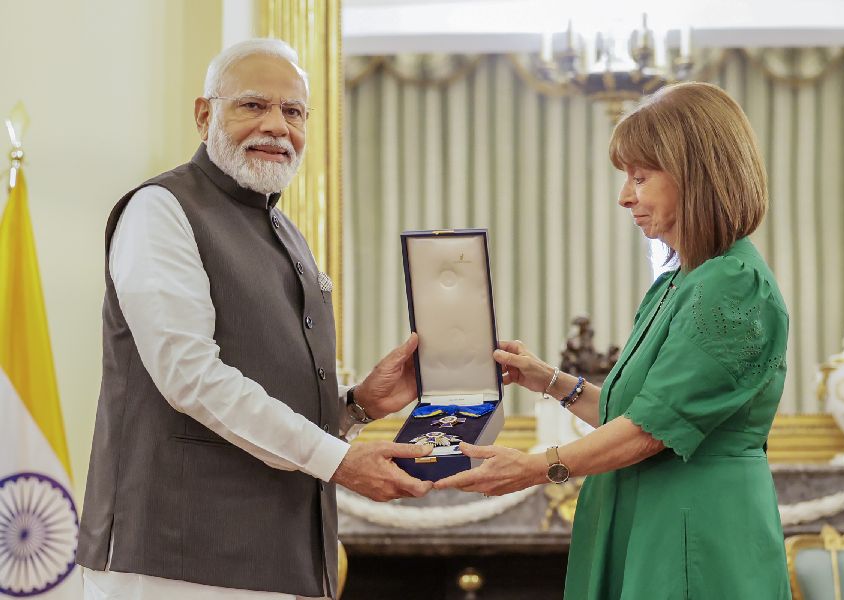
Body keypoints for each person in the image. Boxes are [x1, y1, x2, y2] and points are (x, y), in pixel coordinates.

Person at [76, 38, 432, 600]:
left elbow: (265, 386)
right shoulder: (160, 210)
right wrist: (339, 460)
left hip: (282, 556)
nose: (276, 126)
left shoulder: (286, 233)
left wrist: (357, 404)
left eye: (293, 112)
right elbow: (190, 376)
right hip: (177, 558)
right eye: (252, 105)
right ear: (203, 115)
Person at [436, 82, 792, 599]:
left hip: (695, 529)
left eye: (640, 177)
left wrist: (538, 466)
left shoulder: (731, 284)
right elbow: (638, 412)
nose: (626, 196)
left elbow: (652, 430)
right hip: (656, 514)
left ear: (696, 176)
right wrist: (550, 381)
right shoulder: (680, 282)